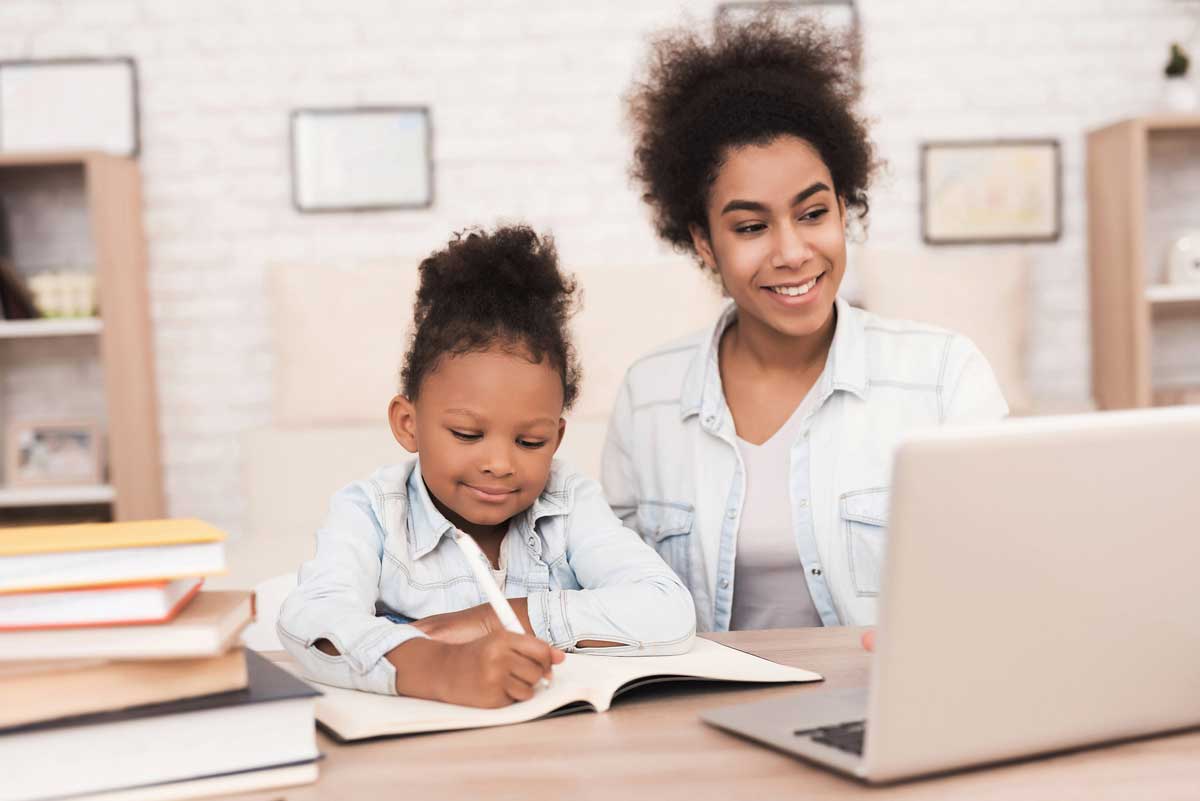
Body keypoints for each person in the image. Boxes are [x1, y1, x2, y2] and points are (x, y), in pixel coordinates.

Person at [603, 14, 1008, 633]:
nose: (792, 252)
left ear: (844, 209)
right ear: (703, 242)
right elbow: (612, 588)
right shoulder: (648, 396)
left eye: (813, 213)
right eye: (750, 227)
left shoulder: (942, 376)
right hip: (695, 714)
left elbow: (1007, 573)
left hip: (880, 710)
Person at [278, 225, 696, 707]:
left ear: (556, 438)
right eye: (467, 435)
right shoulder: (371, 511)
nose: (499, 464)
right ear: (408, 423)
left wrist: (490, 619)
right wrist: (440, 666)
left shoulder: (569, 502)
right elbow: (310, 619)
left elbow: (667, 608)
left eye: (530, 441)